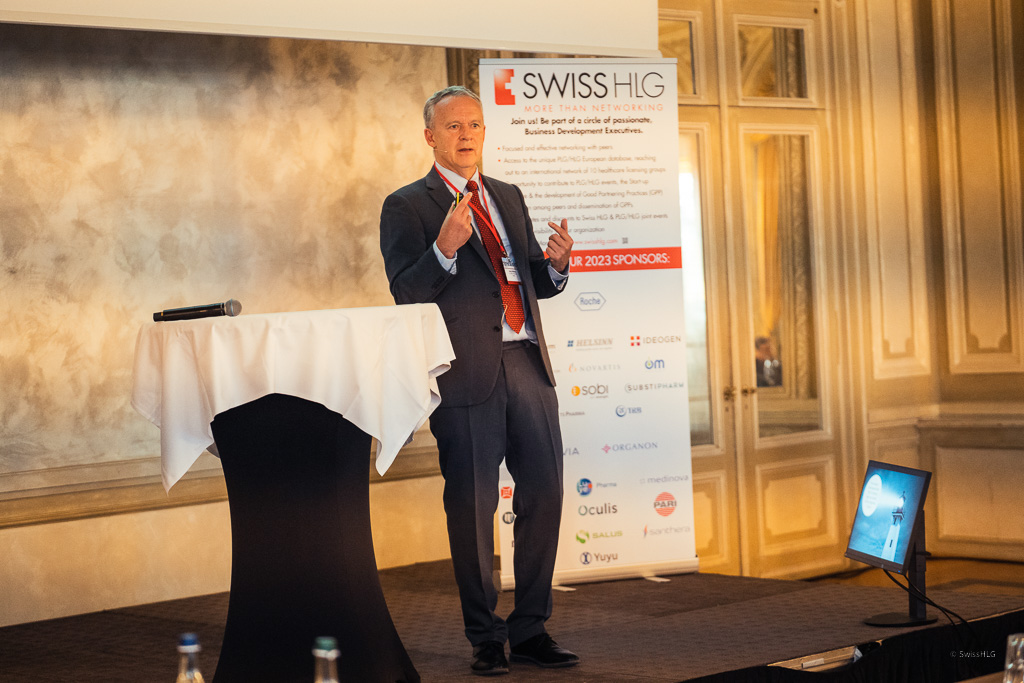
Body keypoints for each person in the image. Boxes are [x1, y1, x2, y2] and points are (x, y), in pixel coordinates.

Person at [379, 85, 578, 676]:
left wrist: (557, 266)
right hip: (465, 374)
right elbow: (406, 293)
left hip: (527, 364)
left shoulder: (507, 196)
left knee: (545, 493)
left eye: (474, 124)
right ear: (430, 137)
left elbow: (526, 279)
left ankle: (531, 628)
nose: (466, 134)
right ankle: (485, 637)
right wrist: (443, 249)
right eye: (453, 126)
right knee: (472, 508)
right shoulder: (406, 206)